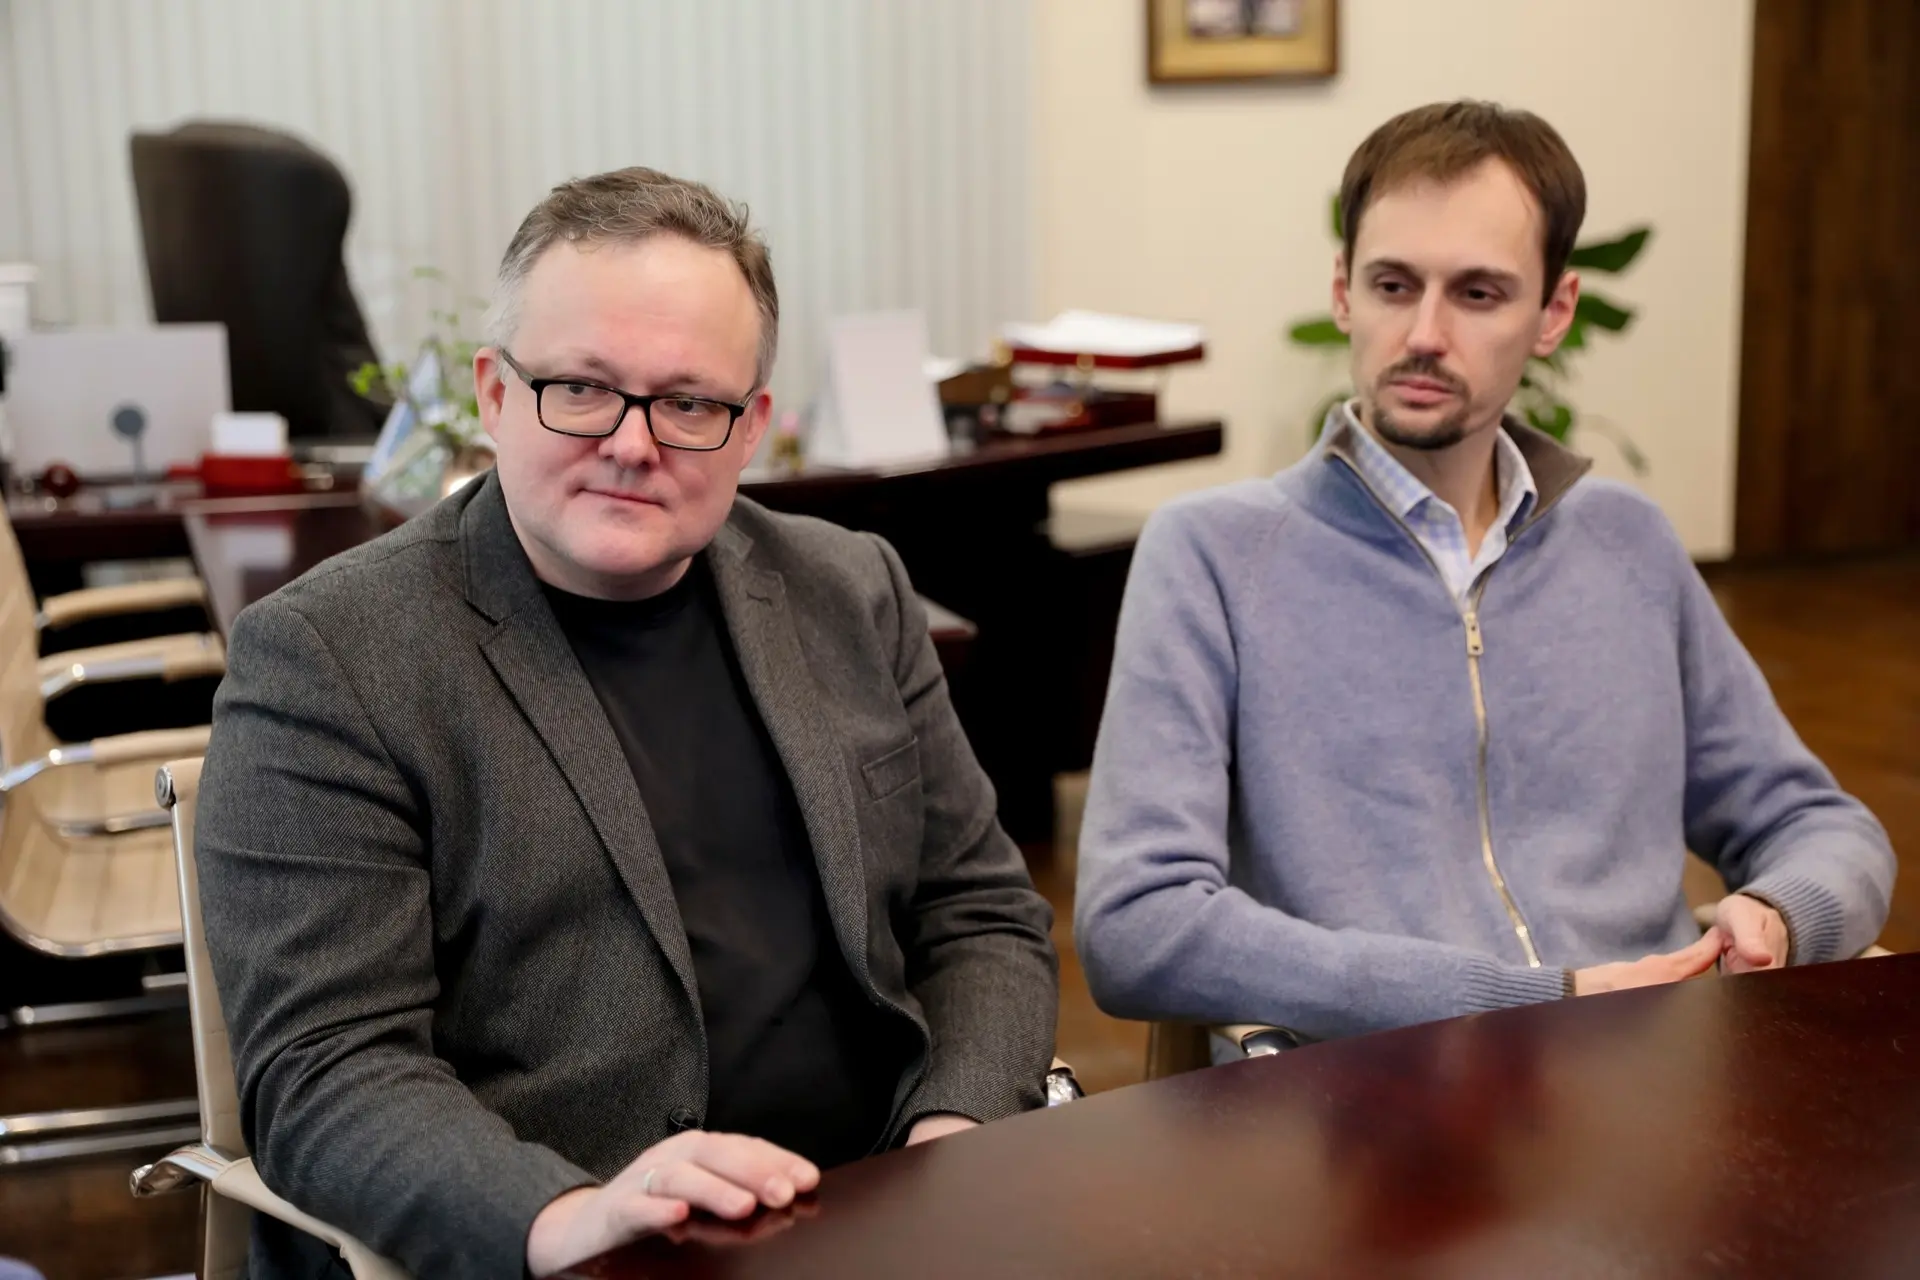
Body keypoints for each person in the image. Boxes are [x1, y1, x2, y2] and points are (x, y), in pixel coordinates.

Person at [196, 167, 1058, 1279]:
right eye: (582, 388)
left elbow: (979, 914)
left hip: (879, 1209)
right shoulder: (329, 657)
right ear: (495, 394)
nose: (633, 443)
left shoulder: (852, 589)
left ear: (751, 429)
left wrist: (953, 1136)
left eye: (690, 403)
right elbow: (326, 1069)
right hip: (572, 1242)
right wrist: (571, 1217)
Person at [1076, 101, 1894, 1050]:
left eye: (1477, 294)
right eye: (1393, 285)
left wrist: (1784, 916)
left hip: (1654, 1074)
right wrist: (1518, 997)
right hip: (1376, 1096)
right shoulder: (1212, 557)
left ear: (1554, 314)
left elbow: (1818, 823)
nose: (1424, 333)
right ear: (1343, 292)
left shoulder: (1627, 543)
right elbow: (1138, 925)